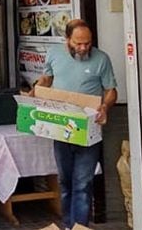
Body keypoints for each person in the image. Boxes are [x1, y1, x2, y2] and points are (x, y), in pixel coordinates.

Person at [31, 19, 117, 229]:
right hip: (60, 127)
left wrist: (105, 106)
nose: (83, 48)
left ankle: (79, 226)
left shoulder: (101, 59)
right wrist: (35, 91)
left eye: (87, 43)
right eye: (78, 43)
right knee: (65, 182)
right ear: (67, 39)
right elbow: (47, 79)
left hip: (89, 129)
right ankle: (68, 225)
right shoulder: (54, 54)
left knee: (83, 184)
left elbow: (111, 90)